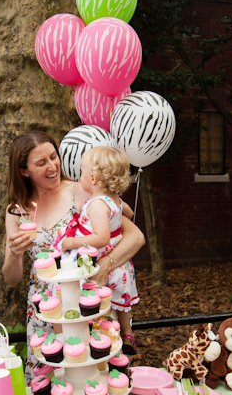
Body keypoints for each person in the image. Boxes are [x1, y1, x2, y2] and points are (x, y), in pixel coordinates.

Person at [2, 131, 145, 383]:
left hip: (86, 306)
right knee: (55, 384)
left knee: (94, 380)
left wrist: (101, 267)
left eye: (53, 156)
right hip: (46, 313)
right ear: (24, 171)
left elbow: (135, 236)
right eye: (41, 162)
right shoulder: (16, 212)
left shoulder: (82, 191)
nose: (52, 166)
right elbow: (12, 278)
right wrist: (14, 254)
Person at [60, 146, 139, 355]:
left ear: (93, 178)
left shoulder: (96, 204)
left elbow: (101, 238)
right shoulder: (114, 199)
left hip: (102, 263)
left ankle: (102, 338)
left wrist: (73, 243)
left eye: (81, 172)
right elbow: (128, 213)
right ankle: (128, 332)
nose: (79, 177)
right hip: (121, 264)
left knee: (99, 305)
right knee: (122, 304)